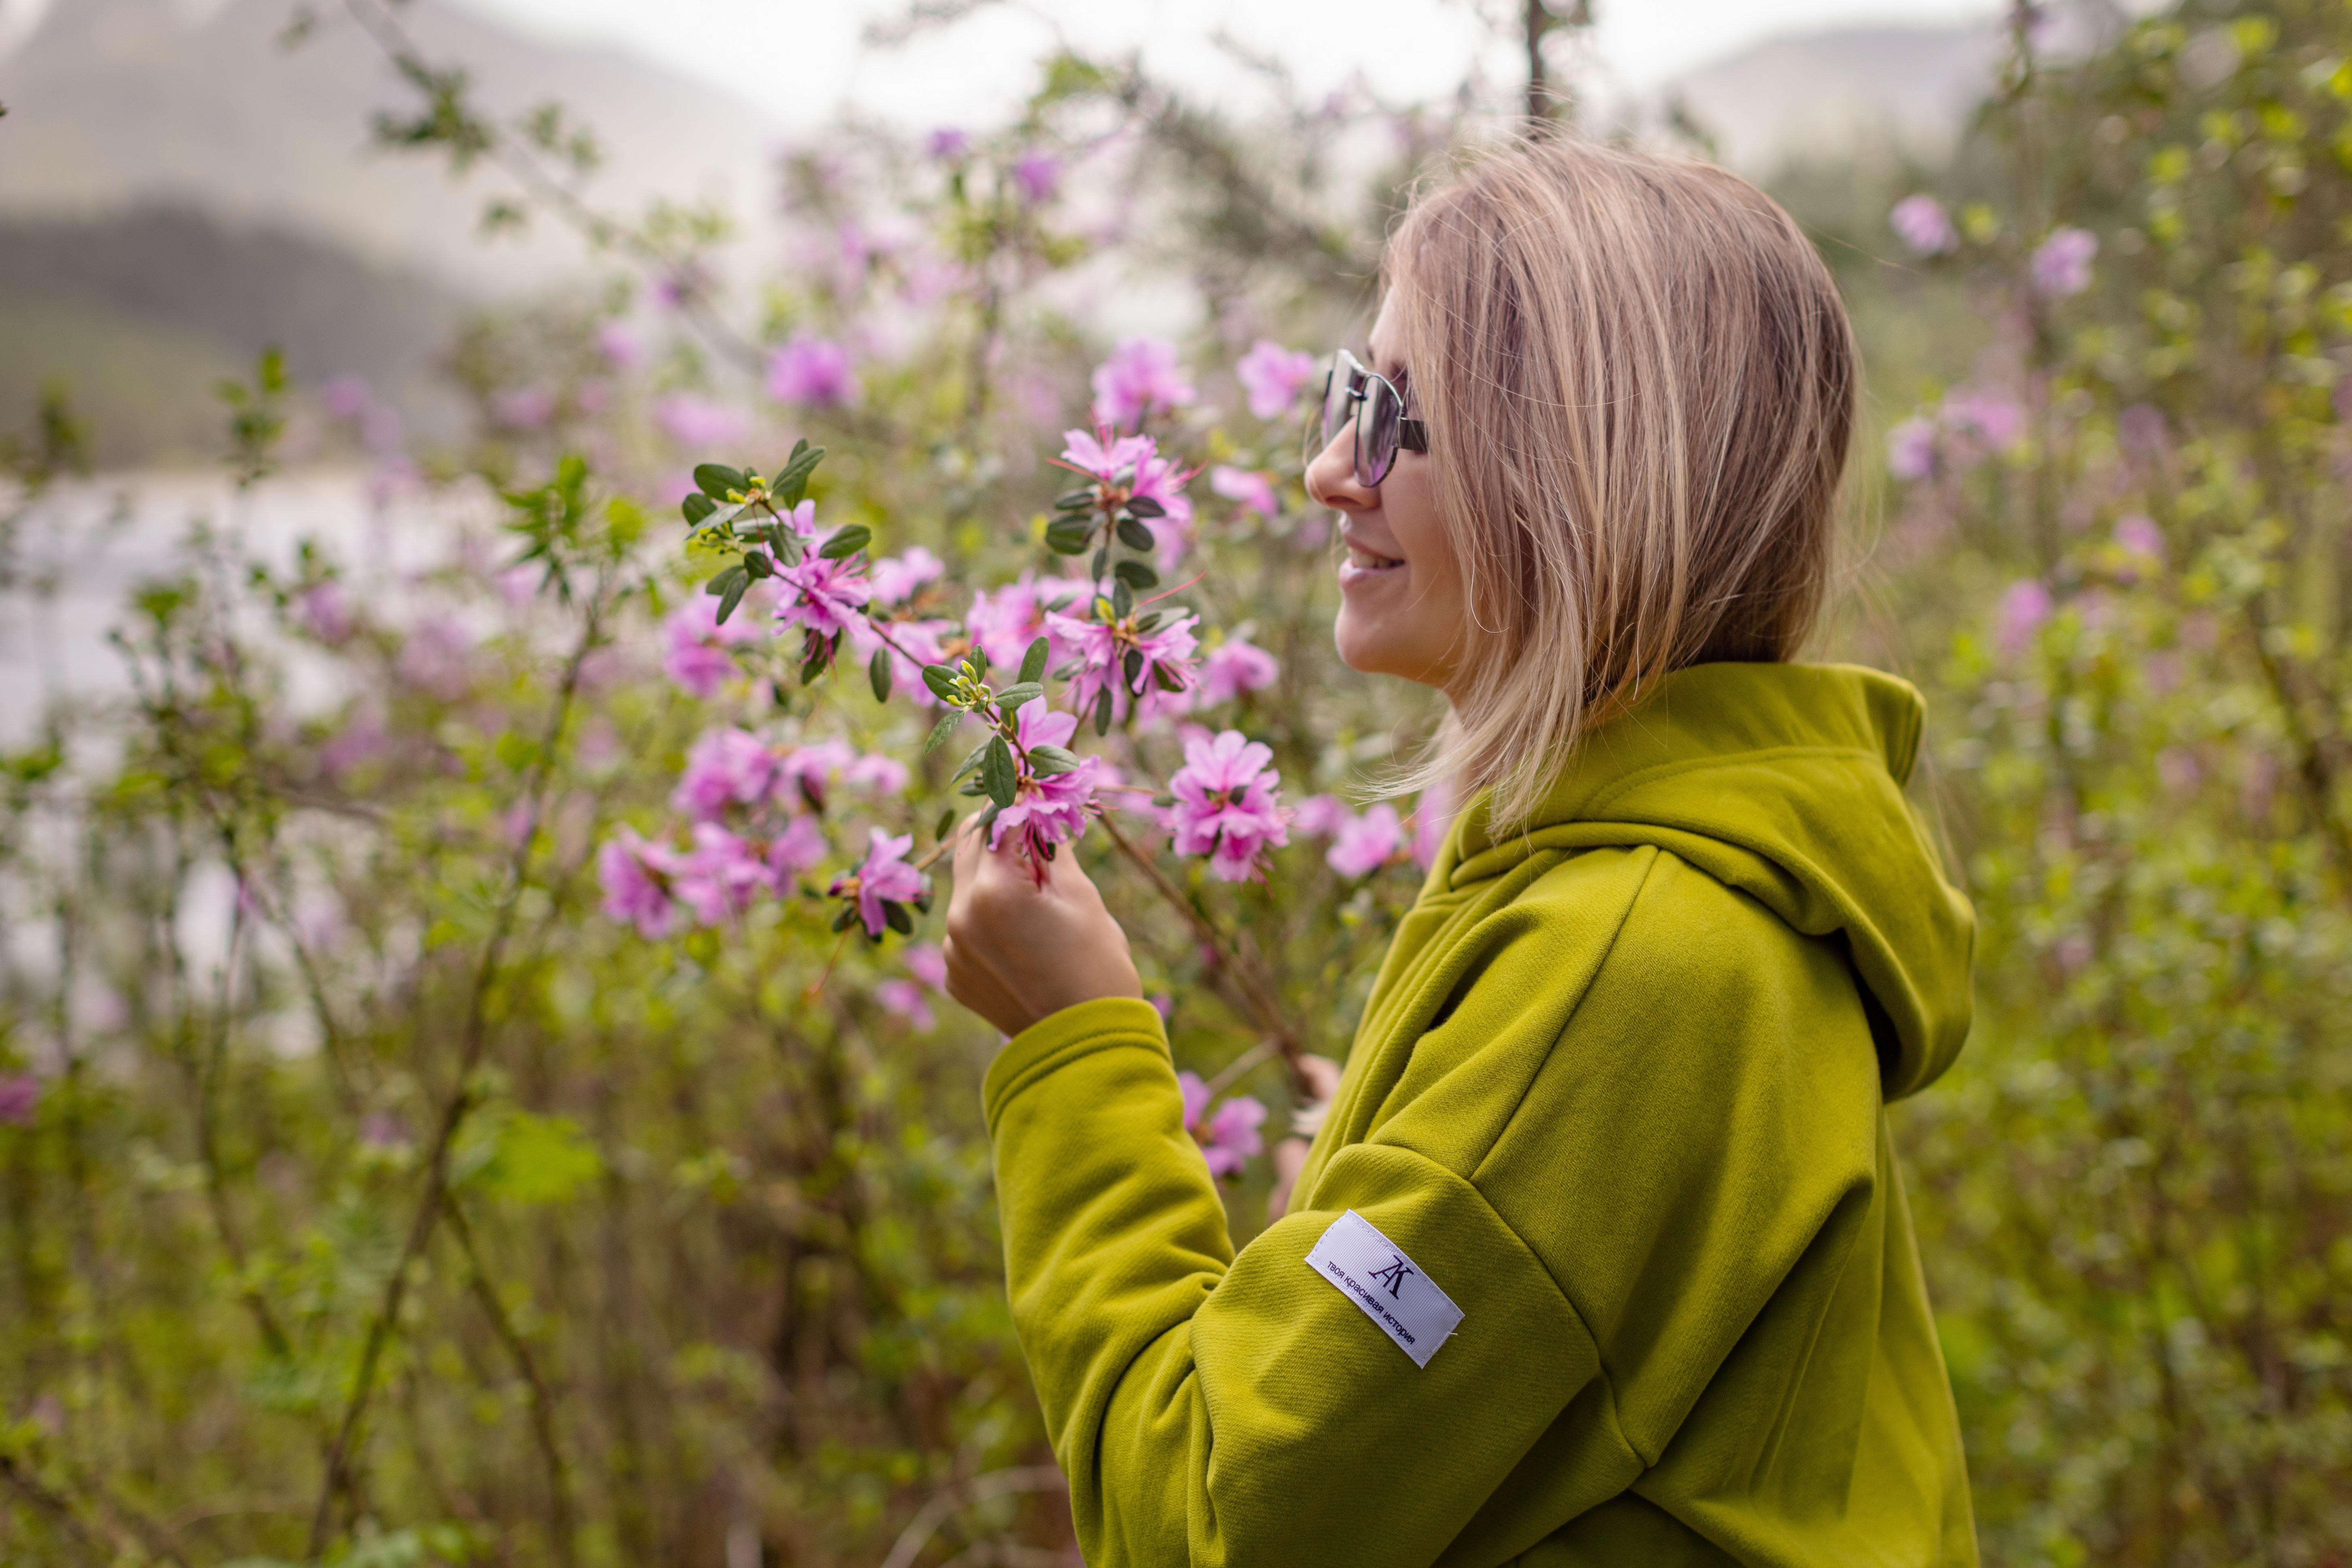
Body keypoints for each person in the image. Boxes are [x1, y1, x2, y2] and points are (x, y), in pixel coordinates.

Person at [943, 136, 1978, 1567]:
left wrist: (1079, 1049)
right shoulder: (1657, 883)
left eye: (1391, 416)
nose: (1326, 473)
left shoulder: (1623, 963)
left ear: (1578, 462)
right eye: (1344, 395)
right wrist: (1403, 1175)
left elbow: (1209, 1515)